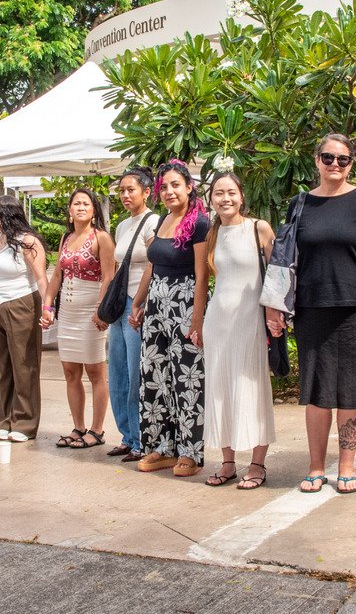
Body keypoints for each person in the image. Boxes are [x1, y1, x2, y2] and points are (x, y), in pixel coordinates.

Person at [267, 135, 356, 495]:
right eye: (328, 157)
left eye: (343, 159)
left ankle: (347, 465)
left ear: (351, 164)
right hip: (311, 307)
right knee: (316, 390)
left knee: (351, 390)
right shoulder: (301, 203)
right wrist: (275, 306)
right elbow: (284, 258)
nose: (335, 164)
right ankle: (315, 467)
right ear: (316, 159)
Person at [130, 160, 210, 477]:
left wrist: (197, 320)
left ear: (189, 187)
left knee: (187, 380)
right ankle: (163, 447)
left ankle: (190, 453)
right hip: (156, 309)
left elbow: (202, 276)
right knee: (157, 377)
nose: (169, 191)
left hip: (185, 306)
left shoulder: (200, 223)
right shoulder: (163, 220)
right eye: (163, 187)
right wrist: (138, 302)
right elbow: (152, 265)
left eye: (175, 185)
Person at [204, 172, 276, 490]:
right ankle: (228, 462)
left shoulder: (258, 228)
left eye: (231, 192)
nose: (225, 198)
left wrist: (275, 314)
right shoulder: (212, 233)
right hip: (217, 321)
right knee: (219, 389)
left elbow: (278, 274)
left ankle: (257, 464)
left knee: (252, 387)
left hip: (250, 320)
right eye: (219, 193)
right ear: (211, 199)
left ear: (242, 196)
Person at [42, 189, 117, 449]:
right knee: (70, 371)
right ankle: (78, 426)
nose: (81, 207)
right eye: (77, 203)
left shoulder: (102, 238)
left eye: (86, 203)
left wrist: (100, 309)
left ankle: (97, 430)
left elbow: (108, 276)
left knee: (95, 372)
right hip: (68, 312)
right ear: (70, 209)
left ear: (94, 210)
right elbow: (56, 276)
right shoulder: (66, 237)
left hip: (90, 311)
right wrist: (48, 305)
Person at [0, 195, 48, 443]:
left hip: (21, 303)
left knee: (24, 365)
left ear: (4, 214)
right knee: (3, 365)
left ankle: (25, 422)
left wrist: (47, 308)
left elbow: (41, 277)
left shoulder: (27, 241)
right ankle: (5, 419)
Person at [105, 167, 157, 462]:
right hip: (120, 304)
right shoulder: (123, 225)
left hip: (139, 304)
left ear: (146, 192)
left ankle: (141, 439)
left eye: (131, 190)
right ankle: (126, 435)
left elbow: (153, 263)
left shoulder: (153, 222)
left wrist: (140, 302)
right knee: (118, 372)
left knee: (136, 374)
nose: (125, 195)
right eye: (121, 190)